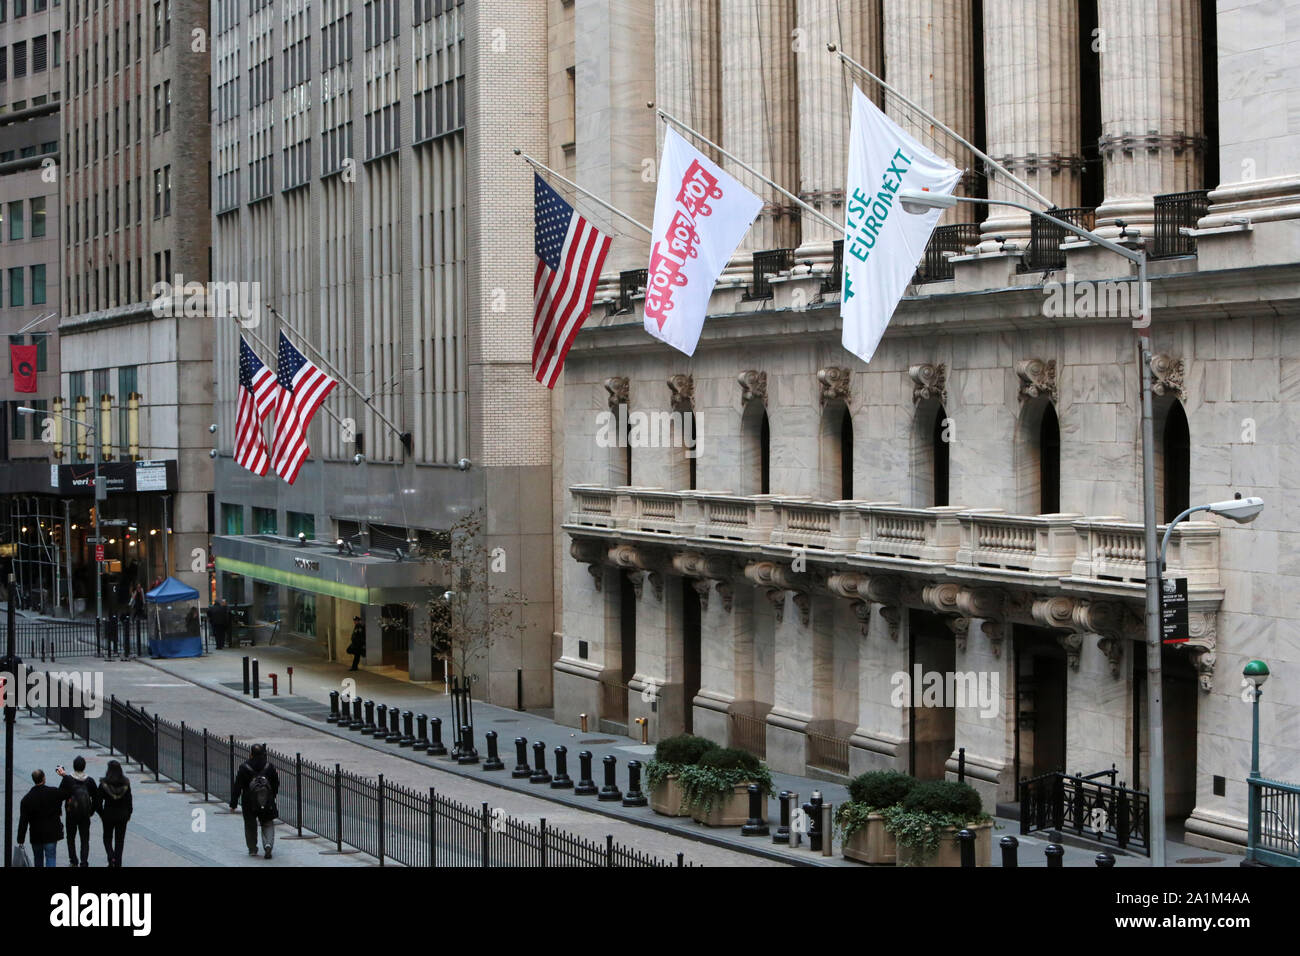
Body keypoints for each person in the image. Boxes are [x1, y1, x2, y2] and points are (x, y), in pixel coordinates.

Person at [230, 744, 280, 859]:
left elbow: (237, 786)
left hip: (249, 801)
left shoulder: (244, 767)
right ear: (263, 754)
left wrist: (233, 803)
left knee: (250, 825)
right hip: (266, 800)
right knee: (267, 823)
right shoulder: (269, 767)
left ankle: (252, 849)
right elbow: (276, 784)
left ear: (251, 754)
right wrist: (272, 796)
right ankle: (268, 844)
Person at [17, 769, 64, 867]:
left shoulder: (27, 799)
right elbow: (66, 792)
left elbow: (23, 822)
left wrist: (20, 839)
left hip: (36, 835)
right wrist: (65, 776)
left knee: (38, 859)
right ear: (43, 778)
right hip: (51, 834)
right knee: (51, 857)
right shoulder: (53, 792)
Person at [56, 757, 99, 867]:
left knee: (71, 838)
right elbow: (96, 798)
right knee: (84, 839)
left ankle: (73, 860)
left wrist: (59, 809)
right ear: (84, 766)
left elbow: (59, 795)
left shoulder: (67, 779)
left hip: (71, 813)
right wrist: (92, 810)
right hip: (85, 814)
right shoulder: (90, 781)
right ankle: (84, 862)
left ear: (74, 766)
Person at [96, 760, 133, 867]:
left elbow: (98, 802)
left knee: (107, 838)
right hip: (122, 815)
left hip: (108, 814)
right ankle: (118, 863)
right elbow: (129, 799)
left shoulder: (104, 784)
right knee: (119, 840)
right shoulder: (125, 783)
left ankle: (111, 856)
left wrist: (101, 814)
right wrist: (129, 813)